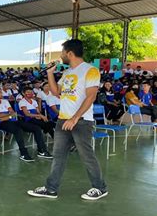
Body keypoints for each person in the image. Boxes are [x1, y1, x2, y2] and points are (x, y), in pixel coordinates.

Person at [28, 39, 108, 201]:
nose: (61, 55)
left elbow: (91, 96)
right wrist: (50, 73)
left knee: (86, 155)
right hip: (63, 120)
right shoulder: (66, 73)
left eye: (63, 52)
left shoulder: (90, 70)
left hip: (82, 121)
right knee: (58, 155)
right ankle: (51, 188)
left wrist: (75, 118)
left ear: (70, 53)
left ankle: (100, 187)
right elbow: (56, 92)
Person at [0, 86, 34, 161]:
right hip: (1, 123)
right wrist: (9, 115)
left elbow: (12, 112)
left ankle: (42, 150)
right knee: (17, 130)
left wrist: (8, 116)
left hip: (11, 120)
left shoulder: (5, 101)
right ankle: (24, 154)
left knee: (33, 127)